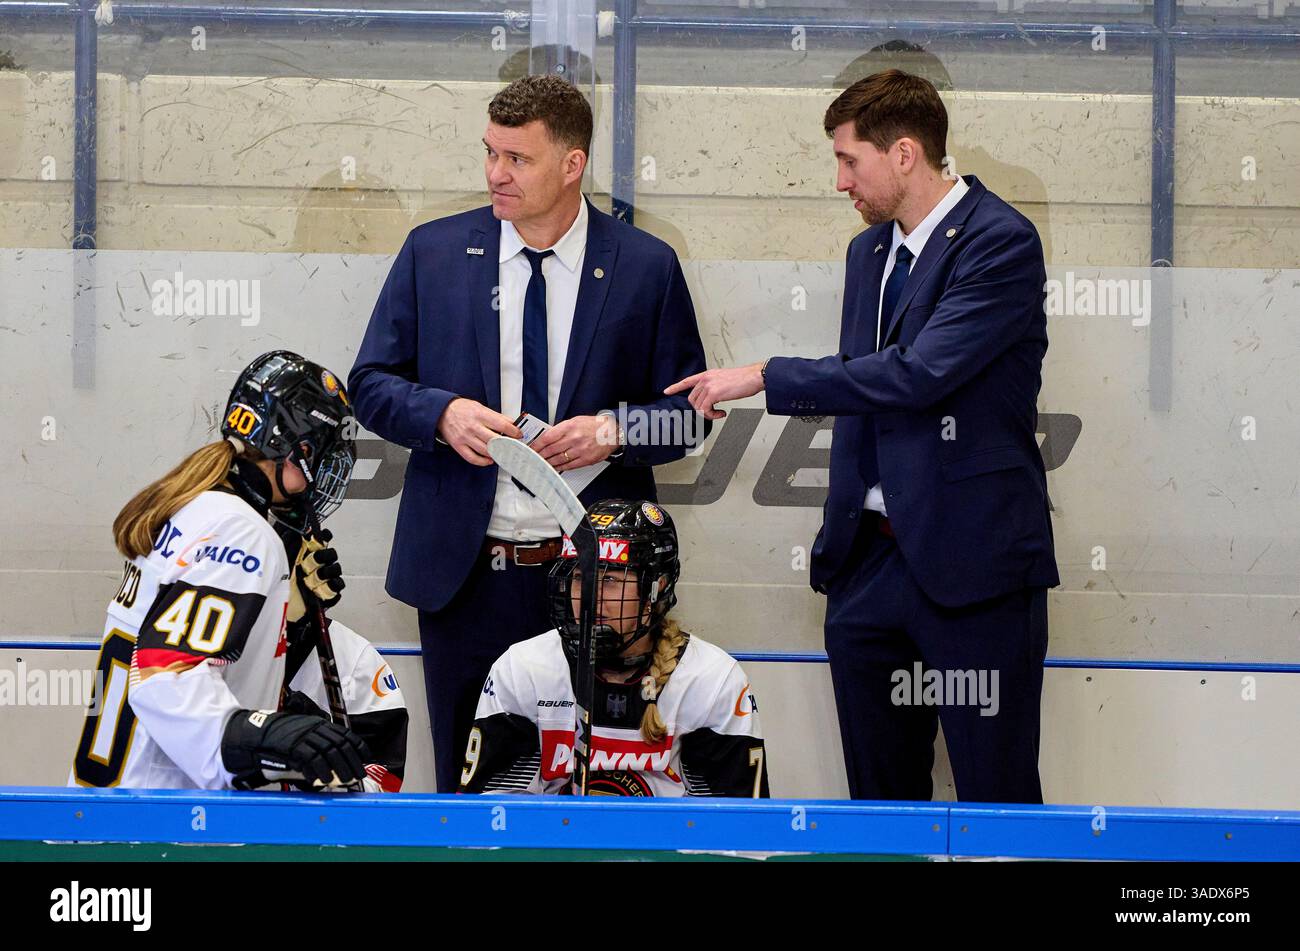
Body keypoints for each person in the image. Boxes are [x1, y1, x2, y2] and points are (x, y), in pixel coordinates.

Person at [666, 70, 1059, 803]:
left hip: (974, 568)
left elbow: (915, 375)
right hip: (867, 569)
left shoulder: (1001, 242)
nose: (840, 180)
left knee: (996, 799)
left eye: (850, 160)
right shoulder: (868, 252)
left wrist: (764, 375)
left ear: (905, 154)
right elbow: (865, 390)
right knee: (878, 805)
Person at [350, 75, 709, 792]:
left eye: (517, 158)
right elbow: (370, 384)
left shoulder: (645, 267)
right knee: (468, 785)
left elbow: (691, 414)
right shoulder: (435, 253)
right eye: (490, 153)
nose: (495, 174)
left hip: (597, 584)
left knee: (594, 787)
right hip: (466, 576)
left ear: (572, 164)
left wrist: (615, 431)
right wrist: (442, 414)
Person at [70, 350, 379, 792]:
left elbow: (187, 653)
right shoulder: (240, 531)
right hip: (164, 823)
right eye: (325, 456)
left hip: (113, 808)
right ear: (300, 451)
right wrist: (265, 736)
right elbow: (167, 674)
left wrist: (283, 629)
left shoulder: (190, 509)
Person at [458, 499, 768, 798]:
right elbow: (489, 819)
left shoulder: (711, 678)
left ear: (654, 591)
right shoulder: (523, 667)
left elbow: (735, 829)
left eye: (610, 580)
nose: (590, 596)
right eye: (581, 577)